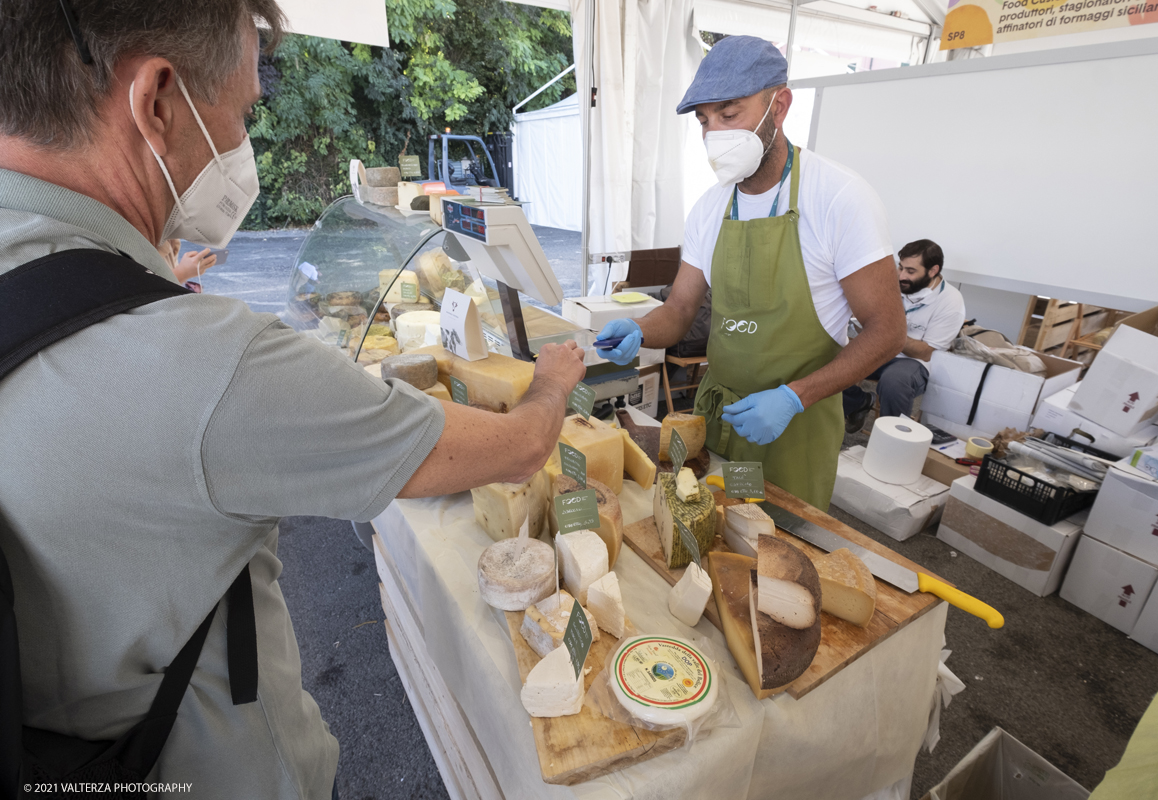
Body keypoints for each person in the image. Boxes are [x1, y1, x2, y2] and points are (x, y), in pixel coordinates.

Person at [0, 3, 585, 797]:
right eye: (241, 112)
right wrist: (552, 383)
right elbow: (516, 447)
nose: (243, 144)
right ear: (158, 101)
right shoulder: (199, 362)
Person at [595, 36, 905, 511]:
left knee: (780, 558)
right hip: (716, 416)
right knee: (707, 540)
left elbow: (888, 332)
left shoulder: (840, 199)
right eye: (704, 120)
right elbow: (679, 310)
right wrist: (639, 330)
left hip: (794, 426)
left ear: (778, 106)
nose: (714, 132)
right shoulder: (710, 207)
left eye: (730, 113)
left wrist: (793, 398)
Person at [843, 239, 966, 432]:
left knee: (895, 381)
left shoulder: (951, 301)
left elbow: (925, 352)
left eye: (910, 271)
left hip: (914, 361)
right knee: (827, 360)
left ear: (932, 271)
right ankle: (859, 402)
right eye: (900, 268)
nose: (900, 276)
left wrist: (888, 333)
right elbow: (870, 325)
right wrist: (861, 320)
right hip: (879, 348)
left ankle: (894, 442)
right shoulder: (895, 283)